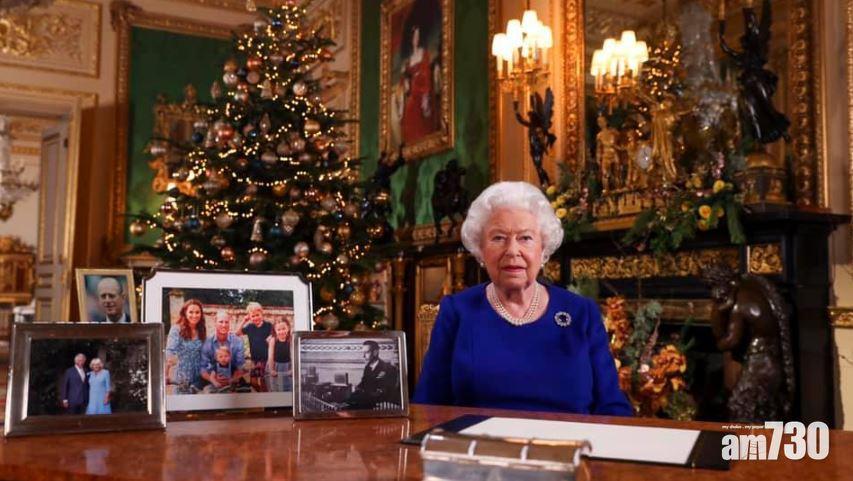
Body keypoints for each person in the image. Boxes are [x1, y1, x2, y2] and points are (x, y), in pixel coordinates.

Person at [413, 181, 633, 416]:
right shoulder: (457, 311)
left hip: (568, 439)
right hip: (477, 439)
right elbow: (428, 406)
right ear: (480, 249)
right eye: (498, 238)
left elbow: (612, 406)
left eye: (525, 238)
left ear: (543, 249)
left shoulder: (581, 313)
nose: (512, 250)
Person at [399, 18, 439, 144]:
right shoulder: (409, 60)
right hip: (413, 92)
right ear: (411, 39)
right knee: (409, 111)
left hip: (423, 91)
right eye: (414, 36)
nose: (416, 39)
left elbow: (426, 73)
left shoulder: (424, 54)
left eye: (418, 36)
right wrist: (405, 79)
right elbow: (405, 80)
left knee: (421, 115)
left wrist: (425, 96)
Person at [165, 299, 207, 393]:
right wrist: (166, 374)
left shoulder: (201, 329)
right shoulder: (176, 329)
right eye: (191, 312)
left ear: (201, 314)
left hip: (199, 377)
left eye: (197, 312)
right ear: (185, 313)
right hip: (183, 375)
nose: (194, 315)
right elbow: (170, 351)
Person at [344, 340, 400, 409]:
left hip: (379, 403)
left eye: (367, 352)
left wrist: (364, 393)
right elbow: (363, 383)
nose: (363, 356)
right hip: (367, 399)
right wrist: (357, 388)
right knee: (346, 401)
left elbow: (385, 391)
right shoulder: (367, 367)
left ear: (375, 352)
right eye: (363, 353)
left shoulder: (388, 368)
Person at [200, 310, 246, 391]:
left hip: (233, 378)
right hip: (212, 379)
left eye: (226, 322)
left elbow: (240, 366)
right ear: (215, 322)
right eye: (221, 322)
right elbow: (203, 368)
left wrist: (231, 380)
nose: (224, 325)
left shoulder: (238, 341)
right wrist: (213, 379)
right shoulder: (207, 342)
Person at [236, 302, 273, 392]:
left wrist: (271, 337)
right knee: (253, 382)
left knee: (264, 382)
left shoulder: (268, 325)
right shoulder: (250, 327)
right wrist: (244, 321)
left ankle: (265, 396)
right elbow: (237, 333)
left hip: (266, 359)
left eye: (257, 315)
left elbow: (275, 334)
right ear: (249, 317)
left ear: (262, 314)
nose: (256, 318)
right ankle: (261, 394)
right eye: (253, 316)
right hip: (254, 360)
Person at [266, 319, 293, 392]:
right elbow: (270, 356)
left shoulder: (291, 340)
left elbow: (293, 355)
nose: (281, 332)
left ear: (288, 328)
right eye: (279, 330)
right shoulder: (273, 340)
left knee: (288, 386)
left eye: (284, 329)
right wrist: (271, 369)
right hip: (276, 365)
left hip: (288, 366)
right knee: (276, 387)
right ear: (275, 330)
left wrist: (292, 369)